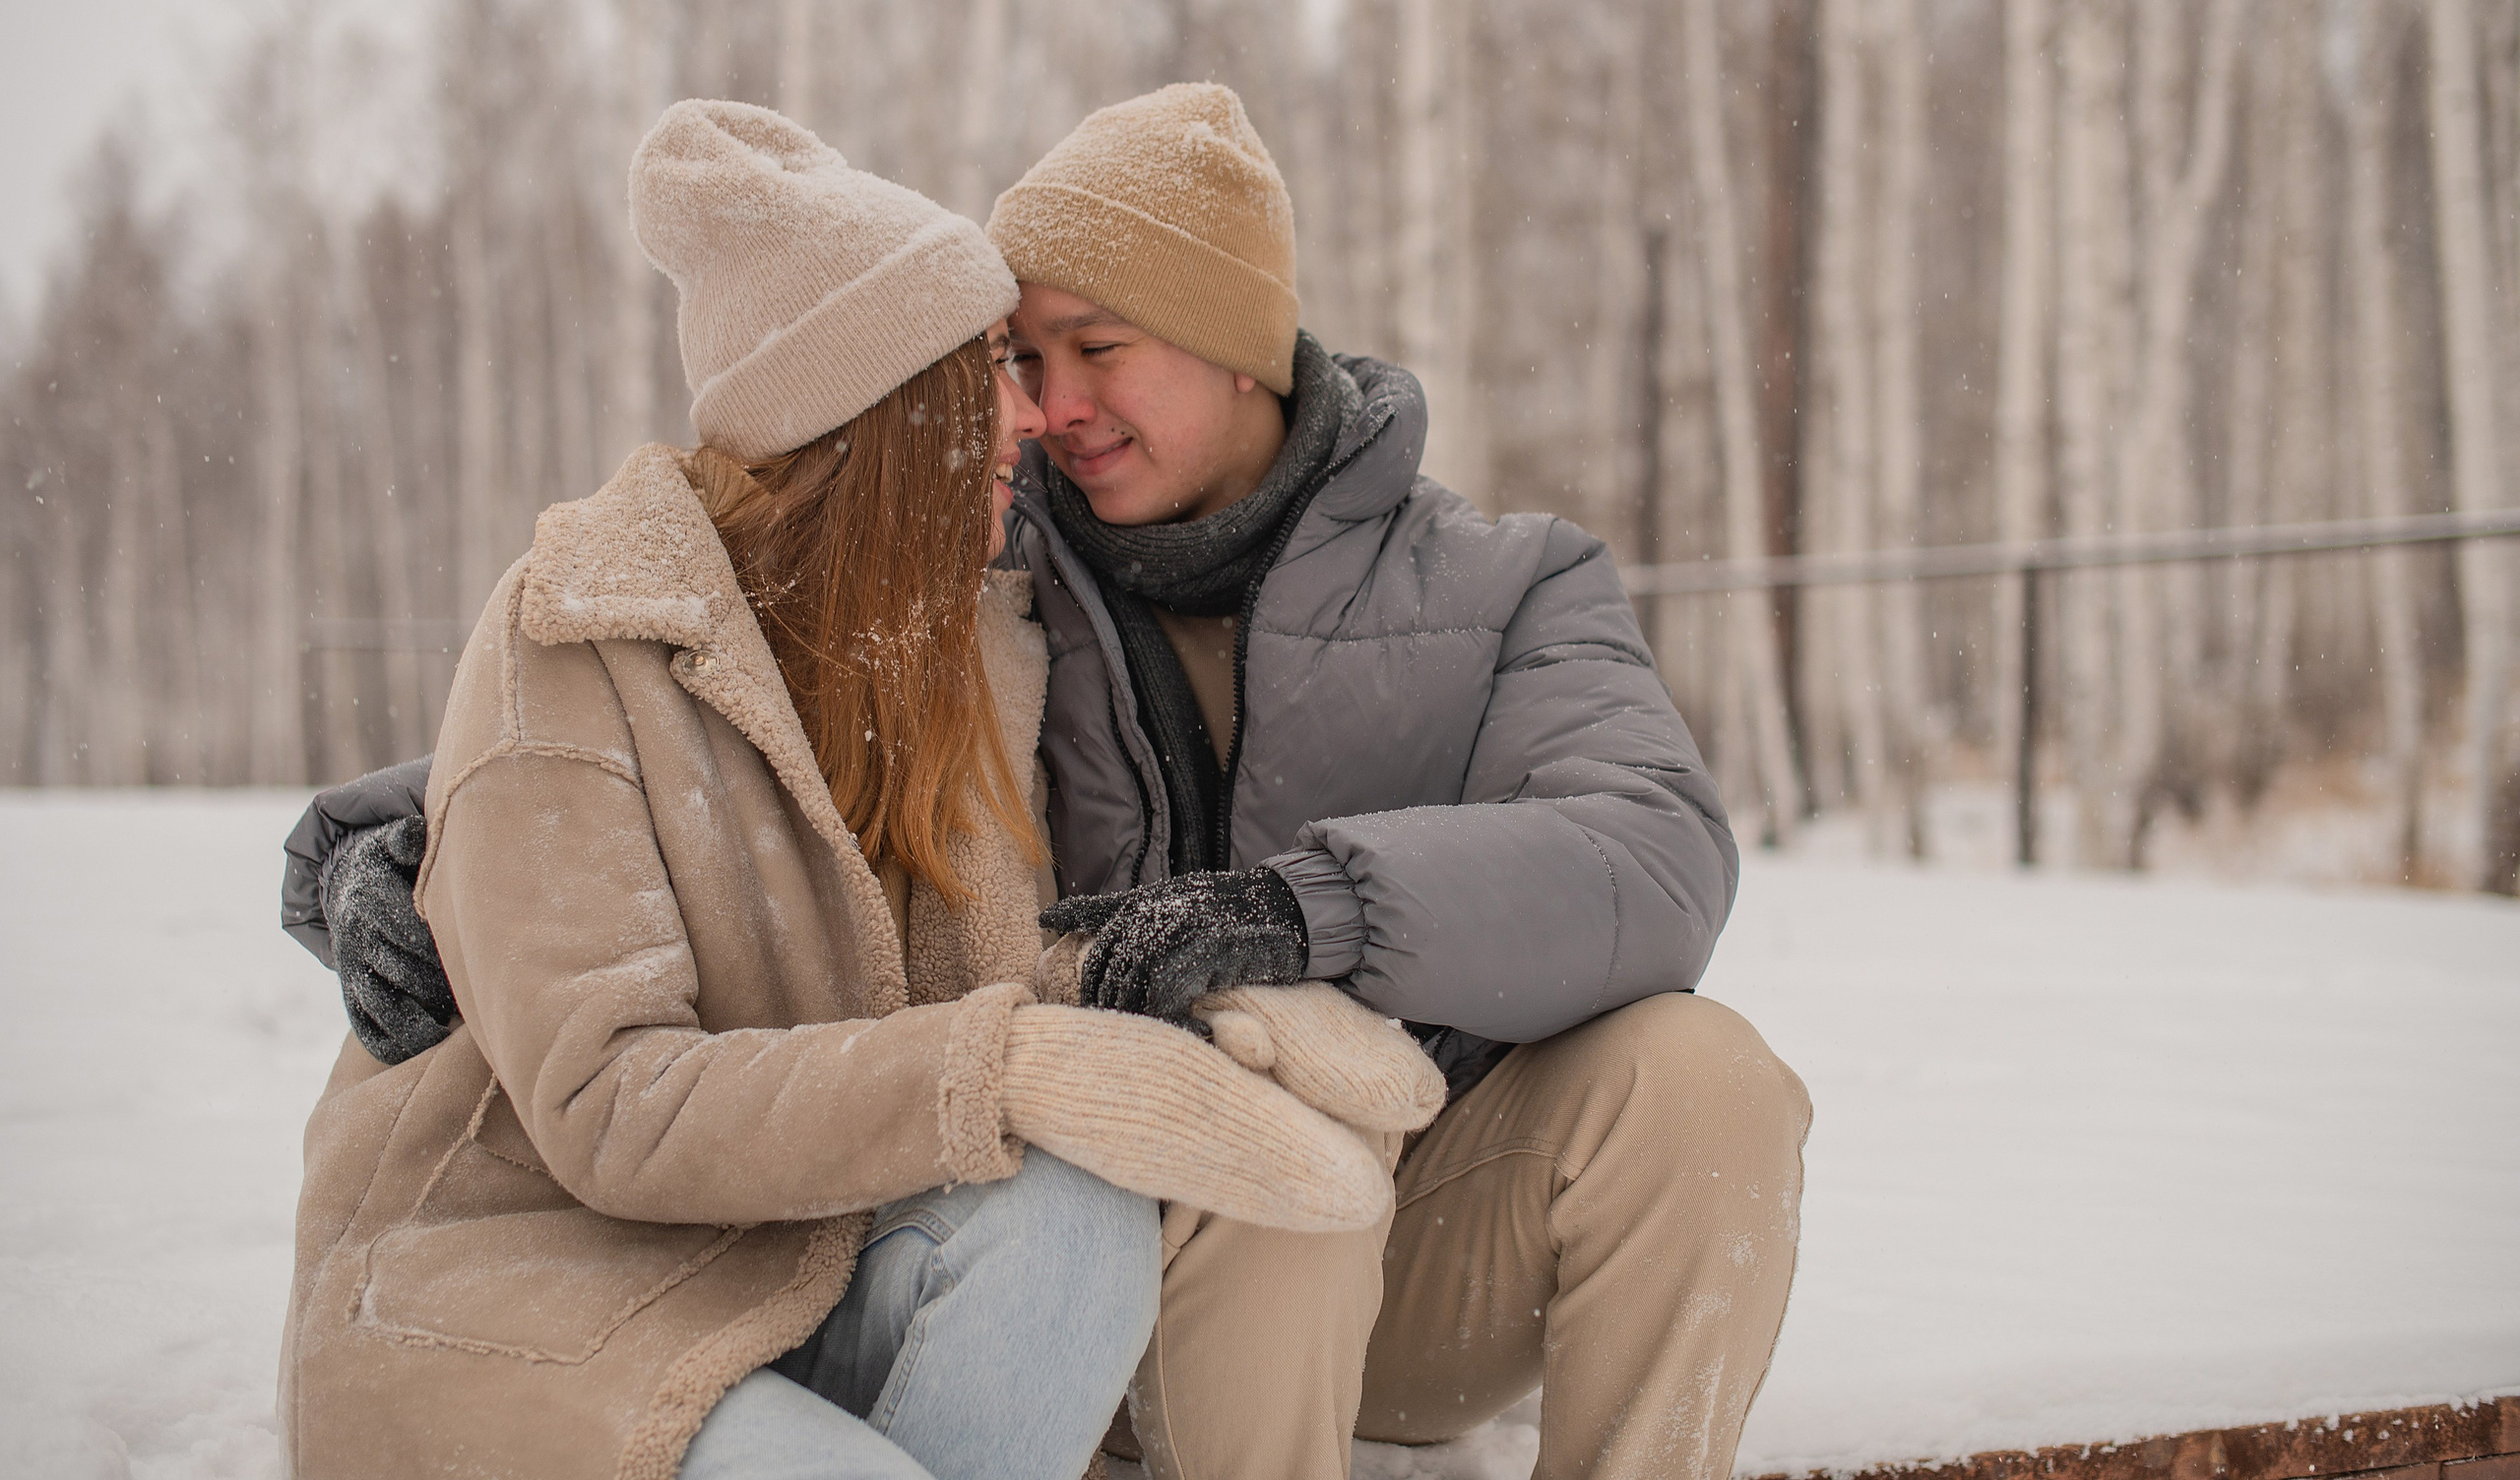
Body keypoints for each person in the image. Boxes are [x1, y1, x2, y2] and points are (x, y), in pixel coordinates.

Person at [293, 84, 1809, 1480]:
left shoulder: (1506, 586)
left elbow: (1655, 858)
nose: (1048, 404)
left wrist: (1308, 913)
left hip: (1409, 1214)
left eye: (1098, 348)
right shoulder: (987, 567)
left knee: (1705, 1083)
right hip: (1130, 1232)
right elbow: (717, 700)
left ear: (1238, 342)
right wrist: (405, 839)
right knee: (1247, 1139)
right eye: (1018, 360)